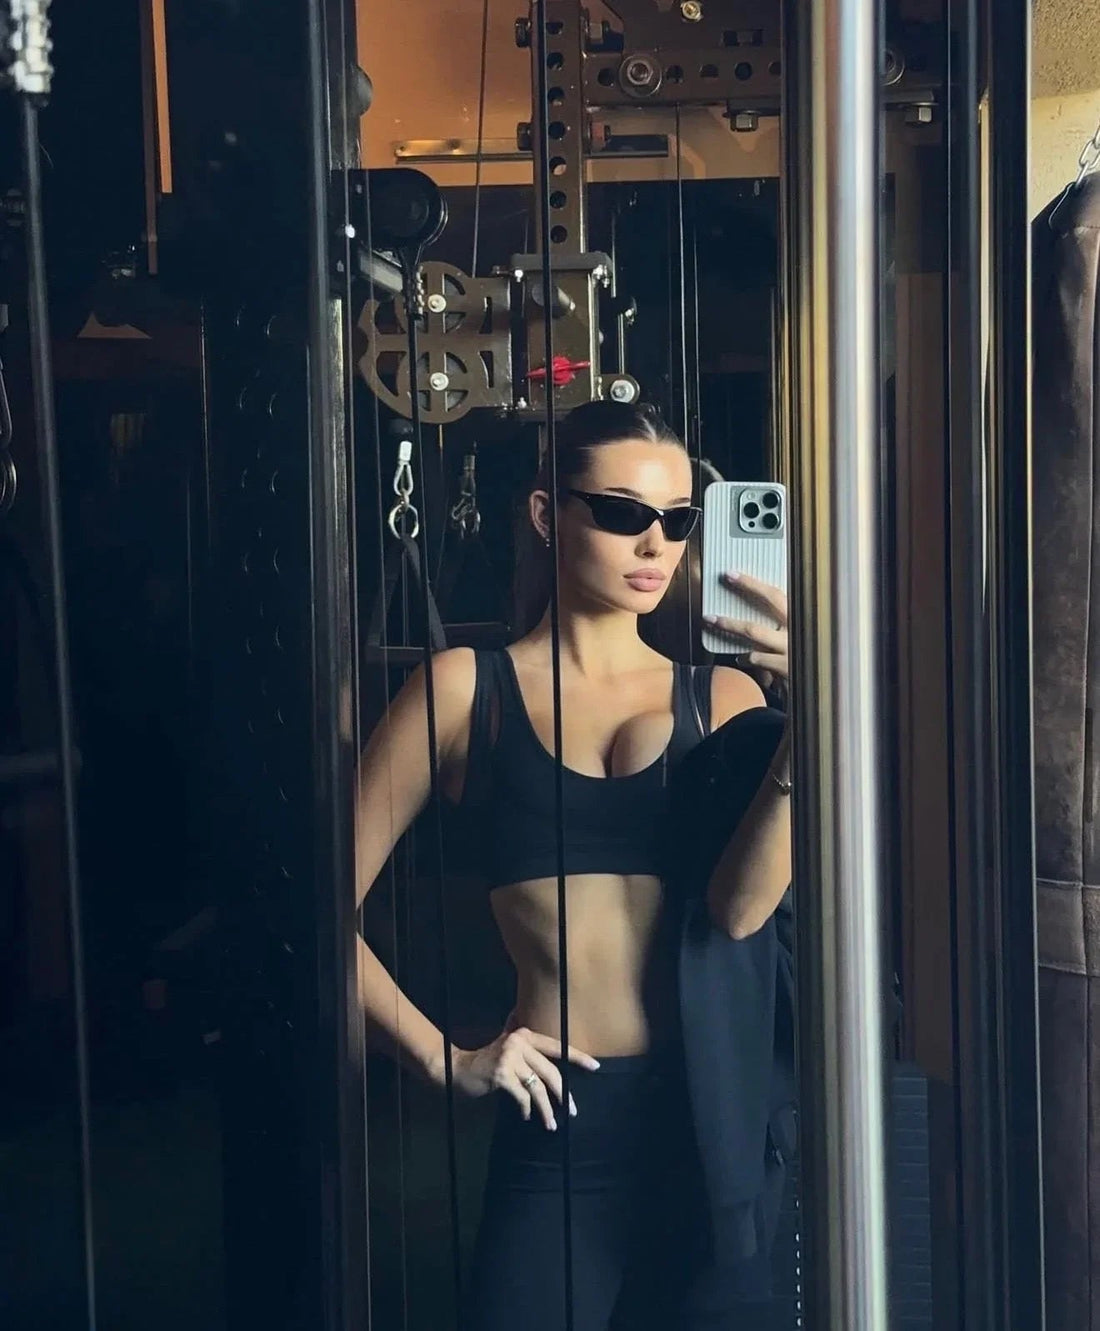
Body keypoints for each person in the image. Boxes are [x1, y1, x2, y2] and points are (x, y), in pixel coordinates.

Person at [354, 400, 793, 1331]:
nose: (655, 544)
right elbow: (316, 904)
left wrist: (815, 713)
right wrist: (445, 1059)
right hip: (561, 1125)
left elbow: (743, 912)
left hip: (710, 1120)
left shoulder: (724, 696)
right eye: (624, 513)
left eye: (678, 521)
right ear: (549, 516)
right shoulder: (467, 689)